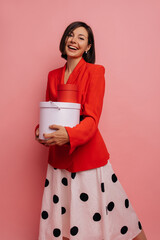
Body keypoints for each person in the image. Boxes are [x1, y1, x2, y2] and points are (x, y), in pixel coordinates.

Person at [35, 21, 147, 240]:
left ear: (88, 47)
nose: (73, 40)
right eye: (70, 35)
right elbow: (49, 111)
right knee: (63, 223)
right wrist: (40, 131)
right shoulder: (52, 75)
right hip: (58, 160)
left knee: (120, 218)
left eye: (81, 37)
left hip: (88, 159)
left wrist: (68, 135)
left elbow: (92, 119)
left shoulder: (95, 72)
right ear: (64, 39)